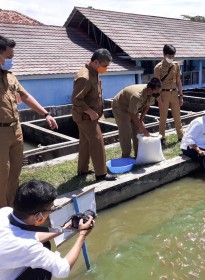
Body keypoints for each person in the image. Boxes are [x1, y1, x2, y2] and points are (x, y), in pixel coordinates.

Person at [0, 36, 58, 208]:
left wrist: (45, 113)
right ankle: (2, 215)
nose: (12, 61)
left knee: (15, 173)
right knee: (2, 175)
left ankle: (12, 207)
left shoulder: (10, 76)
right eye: (9, 57)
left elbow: (24, 96)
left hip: (15, 130)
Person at [0, 179, 94, 279]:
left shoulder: (5, 212)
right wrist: (82, 236)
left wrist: (64, 228)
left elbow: (27, 235)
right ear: (37, 216)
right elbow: (63, 270)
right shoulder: (27, 247)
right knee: (45, 270)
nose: (51, 211)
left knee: (44, 244)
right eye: (51, 209)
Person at [71, 48, 116, 181]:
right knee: (97, 141)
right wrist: (90, 112)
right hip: (85, 117)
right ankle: (101, 174)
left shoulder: (93, 71)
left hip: (87, 115)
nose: (106, 69)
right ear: (96, 62)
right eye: (105, 66)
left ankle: (83, 170)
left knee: (85, 142)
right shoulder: (84, 77)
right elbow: (76, 99)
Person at [112, 77, 162, 158]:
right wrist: (144, 129)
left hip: (133, 107)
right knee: (126, 131)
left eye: (158, 92)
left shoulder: (153, 93)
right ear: (149, 89)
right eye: (156, 93)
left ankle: (138, 154)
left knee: (137, 130)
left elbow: (147, 106)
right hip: (120, 106)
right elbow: (132, 114)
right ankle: (126, 156)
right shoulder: (137, 96)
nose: (157, 94)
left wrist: (141, 120)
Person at [154, 44, 184, 145]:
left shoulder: (176, 65)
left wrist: (181, 96)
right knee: (163, 117)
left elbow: (179, 81)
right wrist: (159, 100)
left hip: (174, 93)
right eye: (169, 56)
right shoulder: (158, 67)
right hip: (163, 94)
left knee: (177, 117)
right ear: (164, 54)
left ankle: (181, 137)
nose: (171, 58)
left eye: (172, 56)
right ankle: (162, 138)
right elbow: (156, 87)